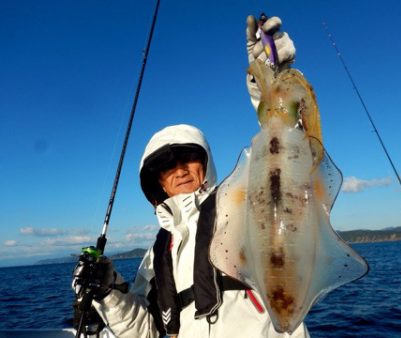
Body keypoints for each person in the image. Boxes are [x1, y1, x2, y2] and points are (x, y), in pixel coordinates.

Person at [73, 15, 310, 338]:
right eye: (166, 168)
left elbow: (289, 160)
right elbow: (149, 331)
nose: (180, 170)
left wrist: (273, 81)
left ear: (206, 164)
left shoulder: (242, 208)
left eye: (188, 158)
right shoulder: (156, 255)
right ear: (156, 184)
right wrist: (107, 294)